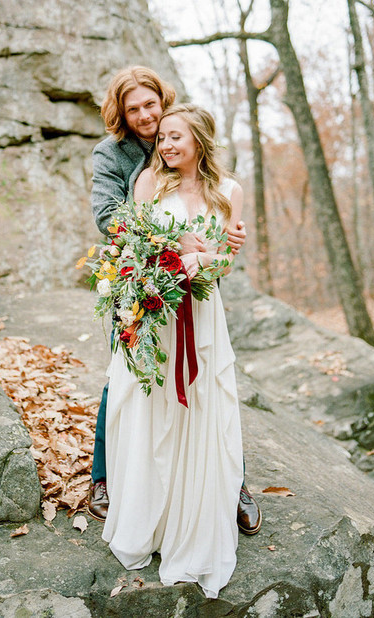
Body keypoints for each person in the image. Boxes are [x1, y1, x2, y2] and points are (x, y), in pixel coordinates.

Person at [88, 66, 261, 538]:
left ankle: (232, 484)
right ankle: (105, 480)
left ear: (166, 103)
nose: (147, 118)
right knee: (124, 382)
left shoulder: (197, 147)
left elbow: (222, 232)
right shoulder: (115, 156)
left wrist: (225, 240)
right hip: (140, 282)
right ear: (121, 114)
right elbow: (111, 217)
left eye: (152, 105)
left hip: (199, 291)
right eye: (134, 109)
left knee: (211, 388)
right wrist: (177, 240)